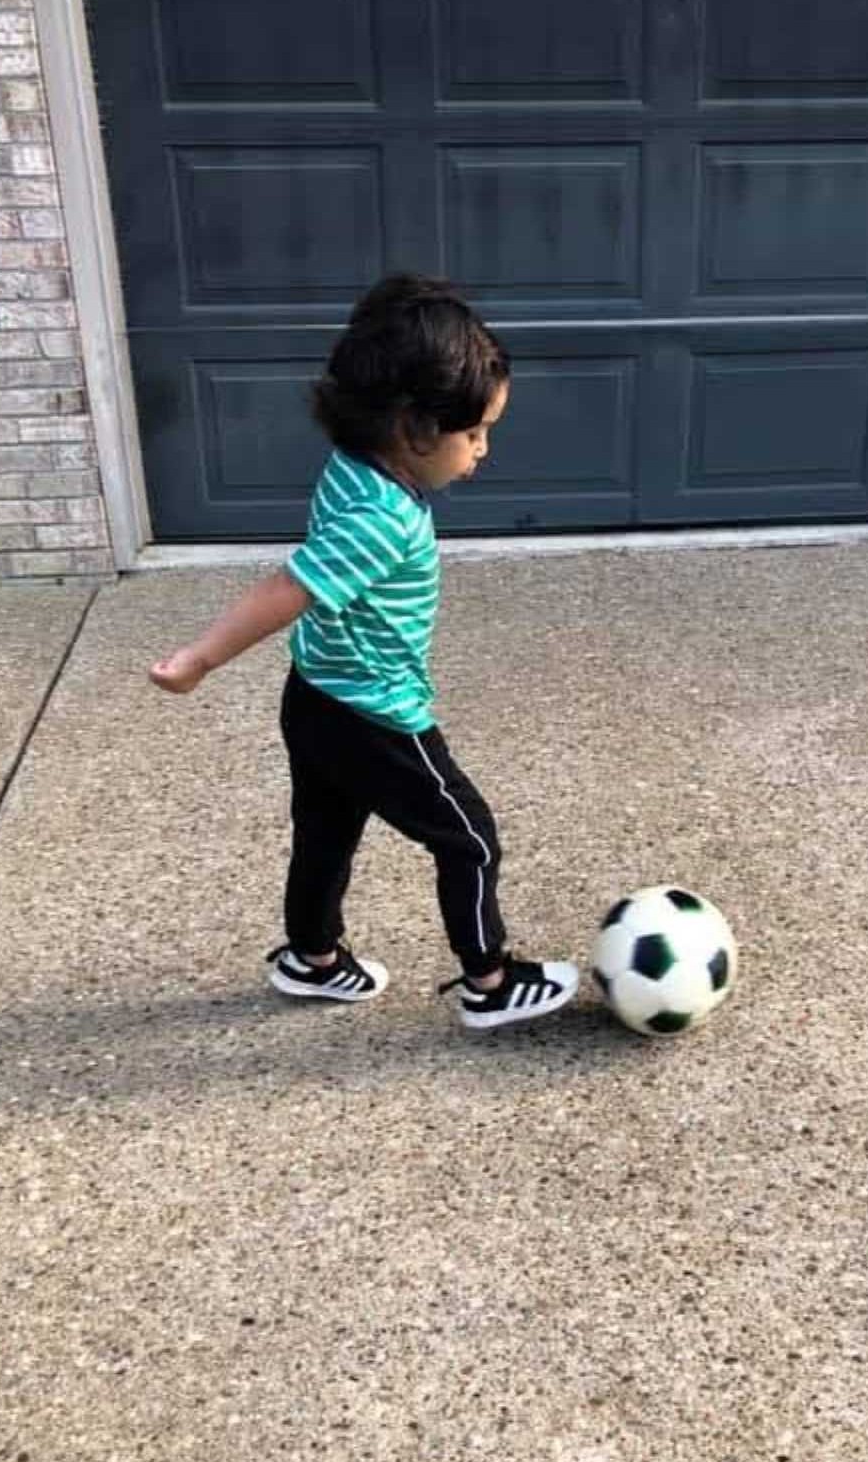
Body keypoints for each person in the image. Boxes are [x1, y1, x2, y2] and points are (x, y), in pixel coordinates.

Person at [149, 273, 579, 1032]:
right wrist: (200, 659)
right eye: (474, 432)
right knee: (470, 839)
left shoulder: (354, 465)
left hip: (314, 695)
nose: (484, 450)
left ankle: (312, 960)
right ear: (413, 429)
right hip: (374, 712)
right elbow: (291, 587)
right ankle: (489, 979)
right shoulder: (383, 520)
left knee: (324, 834)